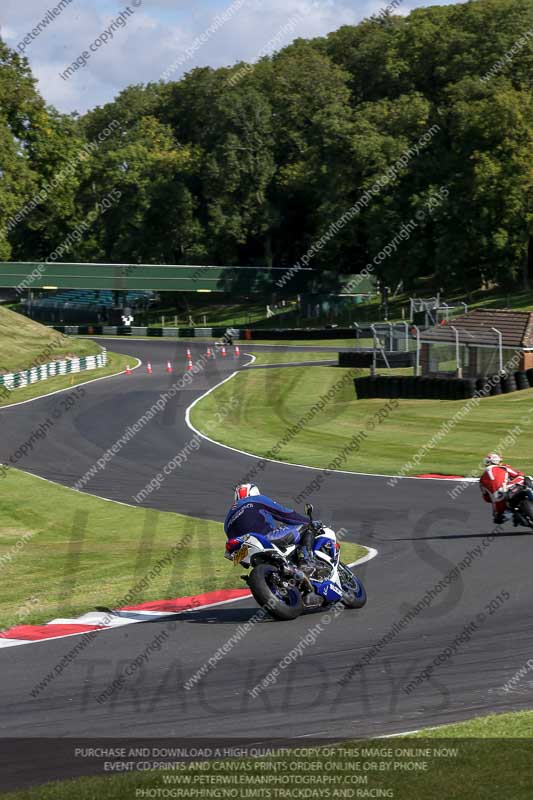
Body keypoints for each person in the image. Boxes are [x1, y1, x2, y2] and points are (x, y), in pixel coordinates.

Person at [225, 484, 317, 571]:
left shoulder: (227, 521)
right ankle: (306, 562)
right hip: (265, 539)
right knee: (307, 528)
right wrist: (309, 522)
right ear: (254, 493)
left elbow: (237, 558)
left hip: (245, 552)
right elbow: (285, 515)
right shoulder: (257, 499)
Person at [479, 453, 525, 525]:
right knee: (526, 478)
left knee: (497, 518)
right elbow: (520, 475)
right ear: (498, 461)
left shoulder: (481, 479)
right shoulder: (504, 467)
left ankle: (512, 516)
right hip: (509, 489)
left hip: (499, 500)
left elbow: (486, 498)